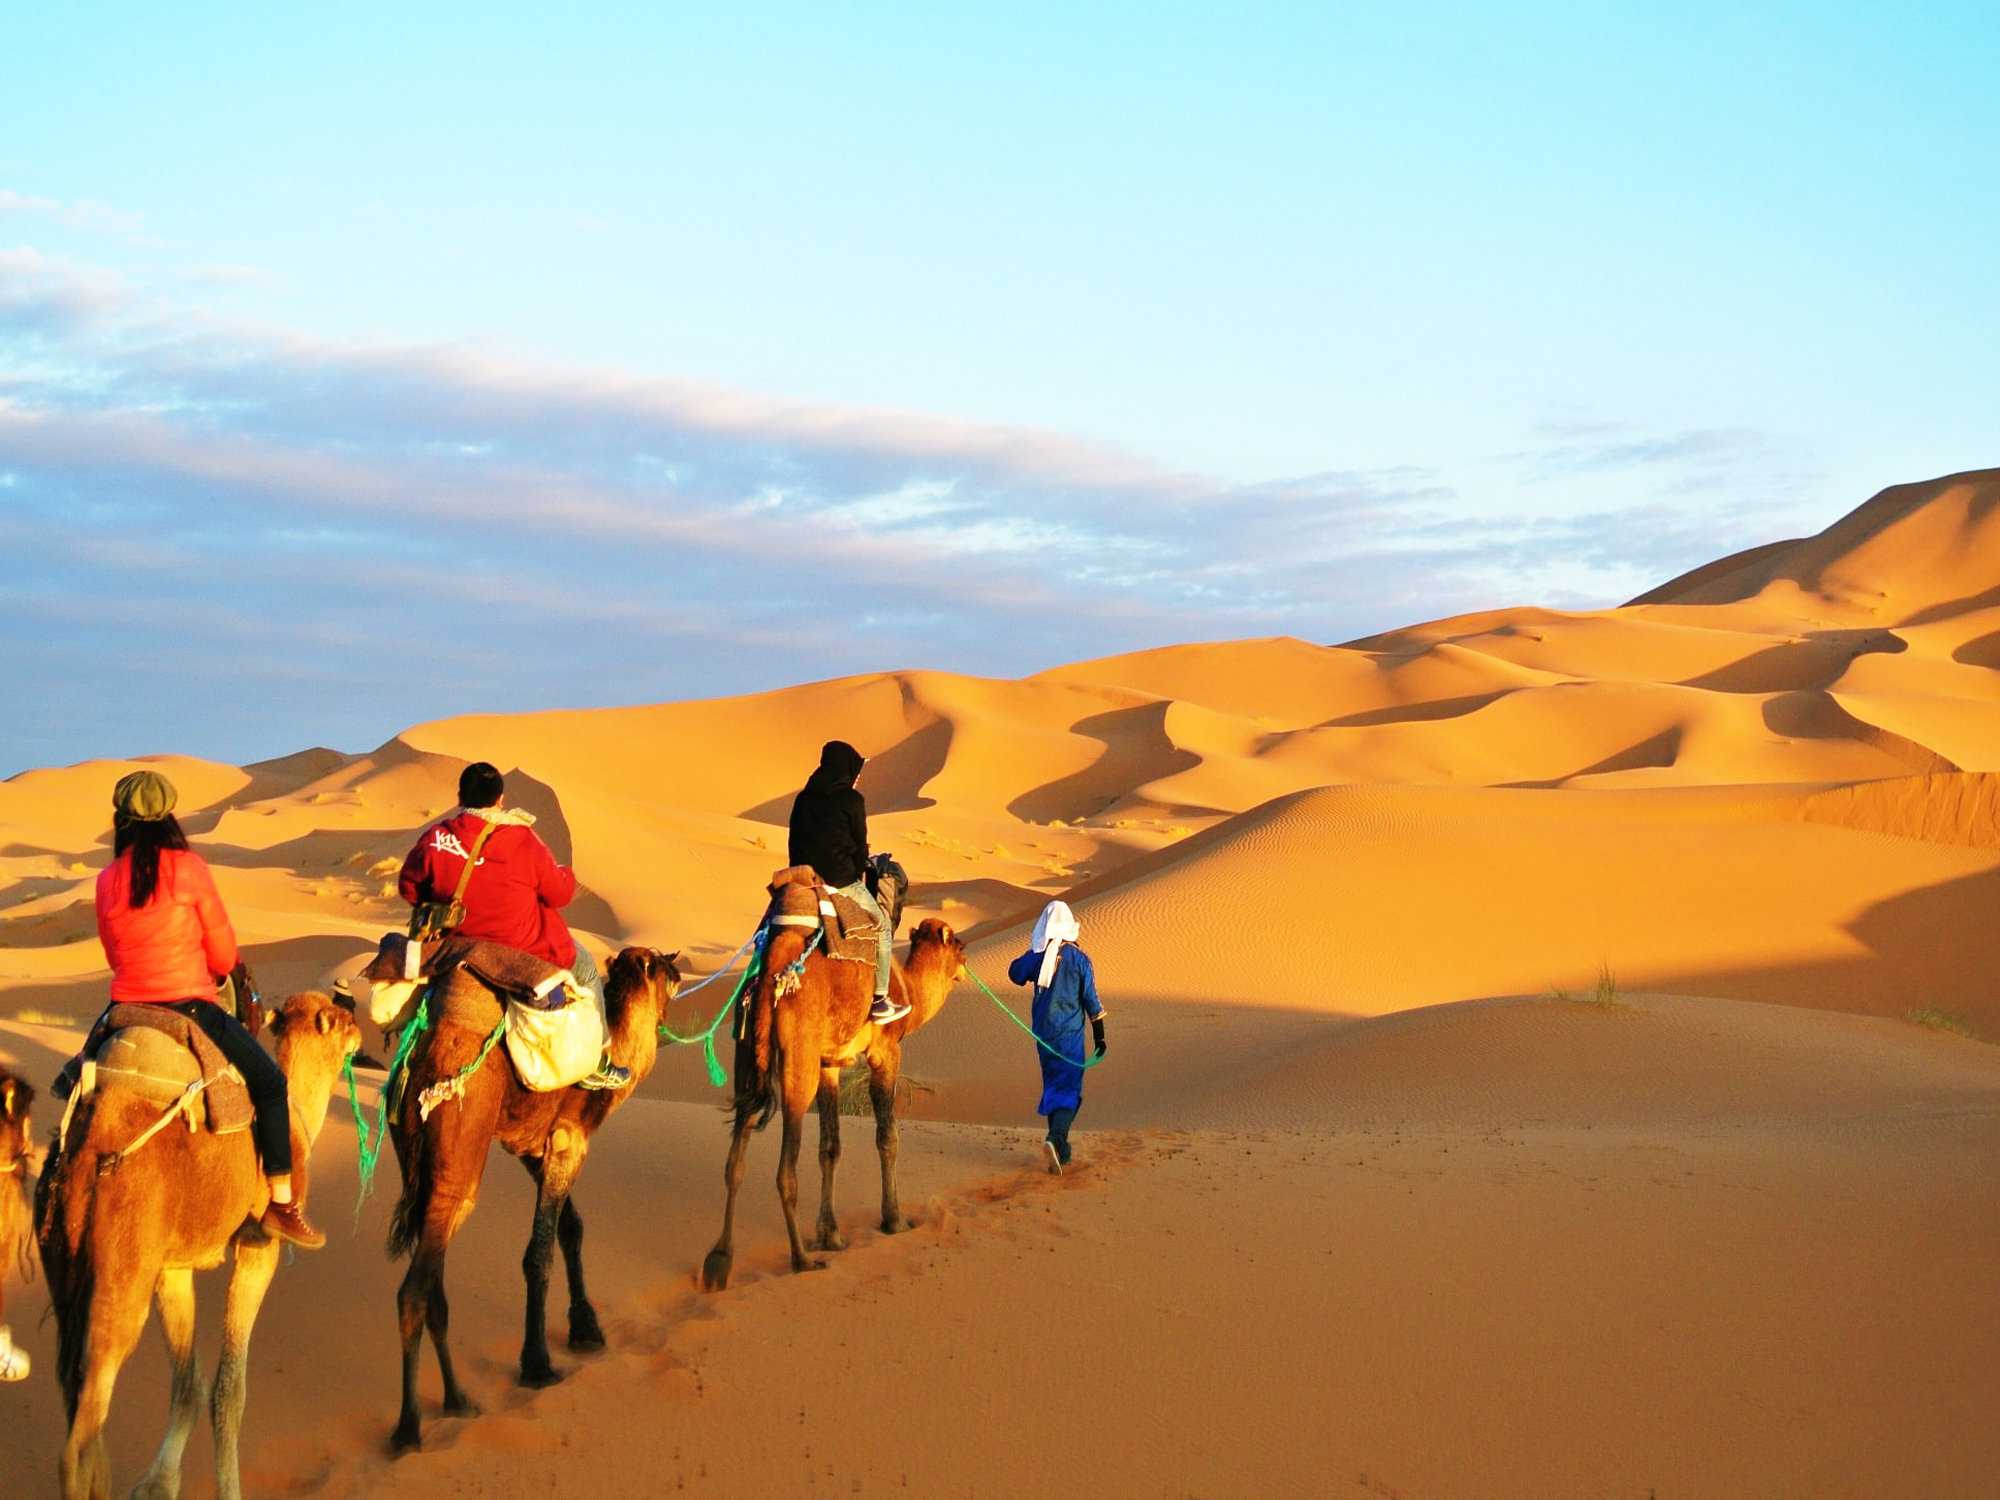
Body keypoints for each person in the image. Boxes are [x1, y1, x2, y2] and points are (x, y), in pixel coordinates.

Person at [92, 770, 325, 1248]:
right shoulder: (190, 869)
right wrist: (215, 970)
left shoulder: (106, 880)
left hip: (124, 1009)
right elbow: (222, 954)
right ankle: (281, 1203)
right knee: (269, 1083)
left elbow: (115, 957)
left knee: (78, 1084)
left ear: (122, 822)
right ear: (169, 819)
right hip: (190, 1007)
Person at [397, 762, 629, 1088]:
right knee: (586, 966)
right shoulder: (523, 839)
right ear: (500, 799)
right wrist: (565, 873)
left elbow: (409, 888)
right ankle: (598, 1061)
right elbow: (560, 893)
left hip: (454, 948)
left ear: (460, 796)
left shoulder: (436, 839)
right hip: (521, 950)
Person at [787, 740, 905, 1023]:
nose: (858, 777)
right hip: (839, 881)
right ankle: (879, 999)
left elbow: (794, 840)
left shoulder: (803, 797)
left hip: (802, 878)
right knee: (882, 927)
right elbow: (859, 848)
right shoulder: (853, 801)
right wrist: (855, 869)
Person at [1007, 900, 1106, 1175]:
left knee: (1054, 1087)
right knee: (1069, 1091)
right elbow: (1091, 1001)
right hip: (1069, 1038)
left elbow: (1014, 972)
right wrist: (1100, 1039)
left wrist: (1035, 952)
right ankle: (1056, 1139)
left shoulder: (1038, 956)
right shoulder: (1080, 959)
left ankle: (1060, 1153)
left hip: (1043, 1037)